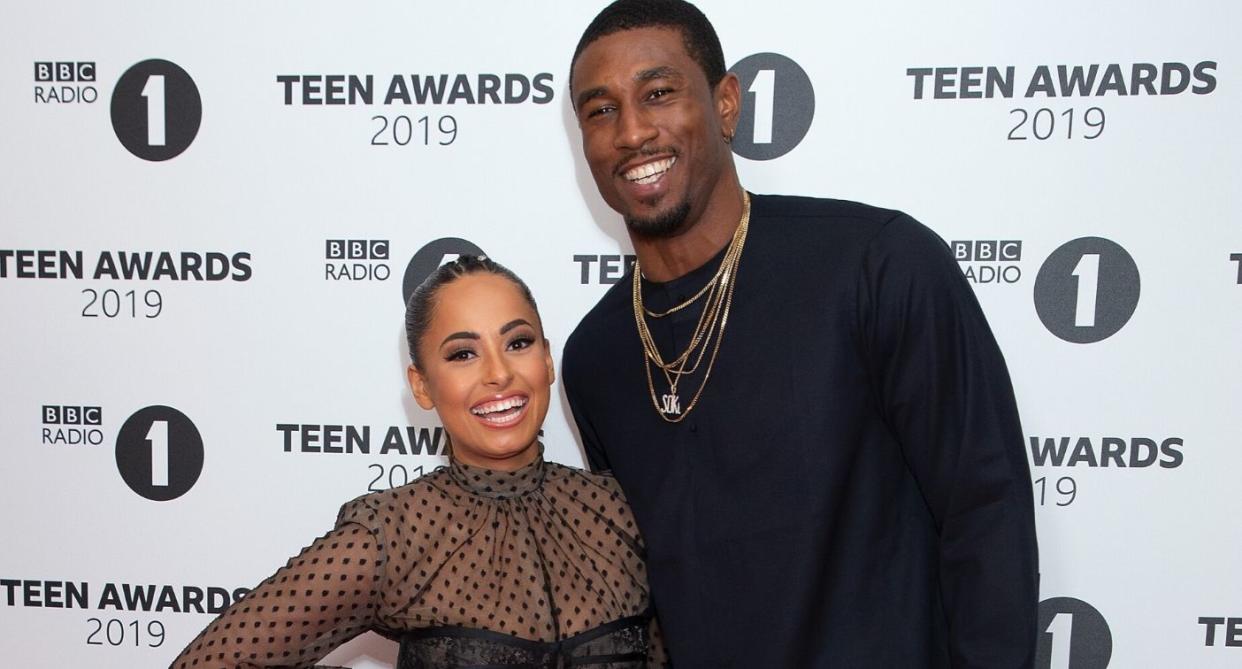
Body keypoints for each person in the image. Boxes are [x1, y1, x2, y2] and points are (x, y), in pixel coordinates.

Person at [561, 1, 1039, 667]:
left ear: (726, 104)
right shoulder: (595, 357)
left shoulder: (879, 264)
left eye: (659, 93)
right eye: (600, 110)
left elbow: (988, 517)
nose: (632, 130)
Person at [171, 256, 662, 668]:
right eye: (463, 354)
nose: (498, 373)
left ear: (547, 361)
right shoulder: (398, 532)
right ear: (422, 385)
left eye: (517, 343)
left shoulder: (619, 511)